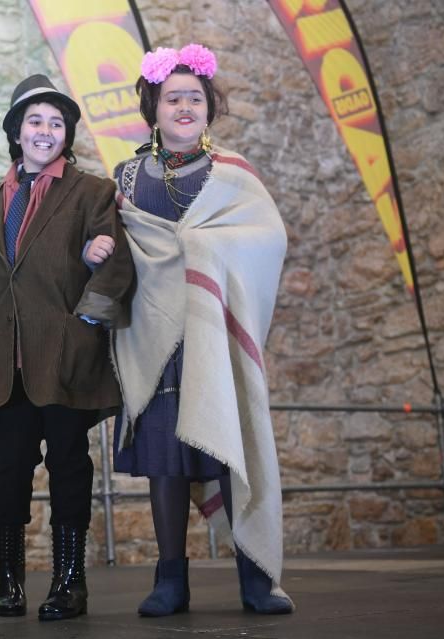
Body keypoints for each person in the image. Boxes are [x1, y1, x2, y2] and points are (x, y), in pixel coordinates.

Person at [87, 44, 294, 616]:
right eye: (172, 97)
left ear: (209, 108)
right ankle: (170, 580)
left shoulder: (232, 173)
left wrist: (206, 249)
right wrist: (93, 249)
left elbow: (269, 238)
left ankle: (254, 577)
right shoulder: (126, 175)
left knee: (229, 449)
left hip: (213, 332)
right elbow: (117, 246)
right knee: (165, 461)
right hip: (153, 334)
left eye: (194, 99)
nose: (183, 106)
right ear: (153, 106)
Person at [0, 75, 134, 621]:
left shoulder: (93, 192)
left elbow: (118, 263)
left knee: (68, 466)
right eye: (35, 121)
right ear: (16, 131)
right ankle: (9, 583)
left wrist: (85, 319)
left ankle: (70, 583)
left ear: (67, 134)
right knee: (9, 469)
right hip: (5, 367)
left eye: (57, 123)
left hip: (65, 359)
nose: (46, 131)